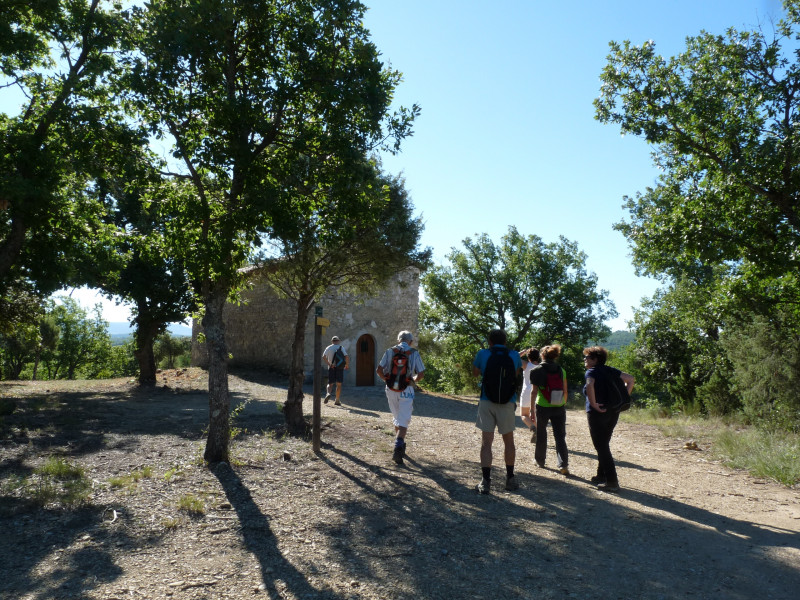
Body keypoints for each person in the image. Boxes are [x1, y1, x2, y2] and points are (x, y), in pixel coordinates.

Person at [472, 329, 522, 494]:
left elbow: (475, 373)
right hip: (508, 402)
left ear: (490, 341)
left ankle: (485, 481)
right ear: (505, 341)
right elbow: (515, 374)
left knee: (487, 442)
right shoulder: (514, 355)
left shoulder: (482, 353)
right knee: (509, 441)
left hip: (487, 400)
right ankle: (510, 479)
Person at [582, 345, 635, 492]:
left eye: (587, 357)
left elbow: (590, 384)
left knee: (601, 445)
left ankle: (612, 481)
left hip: (597, 412)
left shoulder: (590, 372)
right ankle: (601, 476)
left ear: (595, 359)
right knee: (604, 443)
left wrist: (593, 404)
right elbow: (630, 379)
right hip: (613, 411)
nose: (585, 360)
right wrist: (624, 397)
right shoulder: (611, 370)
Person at [376, 331, 425, 465]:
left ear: (398, 340)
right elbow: (421, 374)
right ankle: (398, 446)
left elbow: (379, 370)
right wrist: (412, 380)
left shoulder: (389, 351)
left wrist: (387, 380)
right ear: (410, 341)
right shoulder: (414, 353)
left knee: (397, 417)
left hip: (390, 389)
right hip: (406, 389)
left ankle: (400, 443)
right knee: (404, 421)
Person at [530, 344, 570, 475]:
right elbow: (565, 390)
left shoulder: (536, 370)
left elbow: (534, 392)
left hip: (542, 406)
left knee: (541, 434)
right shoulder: (561, 370)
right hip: (559, 406)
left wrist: (531, 410)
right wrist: (562, 403)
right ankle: (563, 465)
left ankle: (540, 461)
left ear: (542, 355)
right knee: (560, 436)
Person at [519, 347, 540, 443]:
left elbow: (514, 357)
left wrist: (523, 352)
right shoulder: (541, 367)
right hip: (537, 393)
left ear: (528, 357)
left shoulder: (526, 365)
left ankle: (532, 427)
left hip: (526, 393)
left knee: (524, 415)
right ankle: (538, 432)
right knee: (534, 415)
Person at [322, 335, 349, 406]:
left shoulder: (328, 347)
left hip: (331, 368)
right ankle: (337, 400)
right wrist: (346, 365)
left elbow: (323, 357)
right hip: (339, 368)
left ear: (332, 341)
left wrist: (329, 364)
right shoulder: (341, 348)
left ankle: (328, 393)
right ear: (338, 341)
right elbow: (346, 356)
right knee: (339, 384)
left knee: (330, 383)